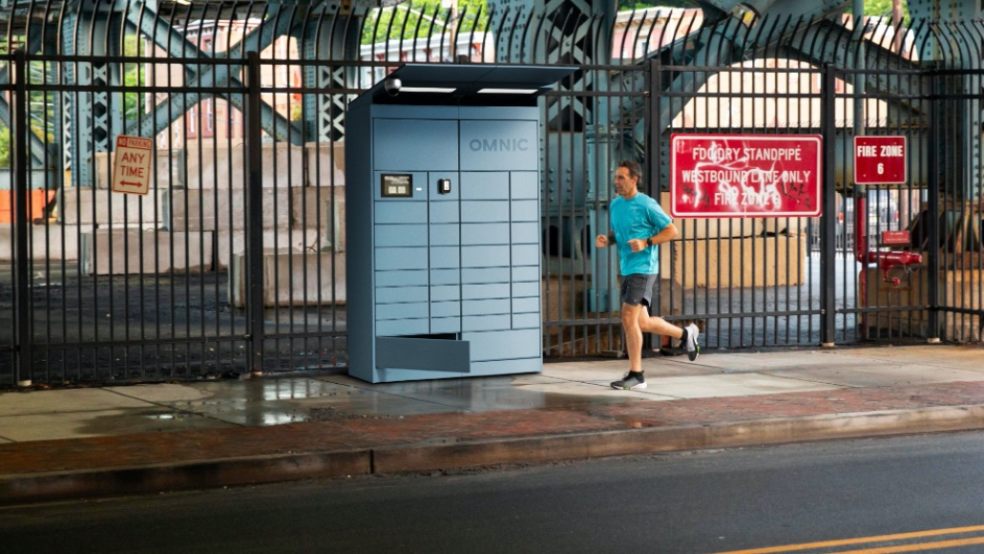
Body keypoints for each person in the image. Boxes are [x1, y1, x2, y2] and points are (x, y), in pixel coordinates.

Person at [595, 160, 700, 391]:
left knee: (627, 317)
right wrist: (609, 239)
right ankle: (685, 334)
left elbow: (672, 230)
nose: (617, 182)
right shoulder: (616, 205)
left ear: (635, 179)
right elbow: (621, 232)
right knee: (641, 321)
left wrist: (647, 242)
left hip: (643, 268)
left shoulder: (647, 204)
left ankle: (637, 374)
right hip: (627, 267)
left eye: (622, 177)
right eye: (616, 177)